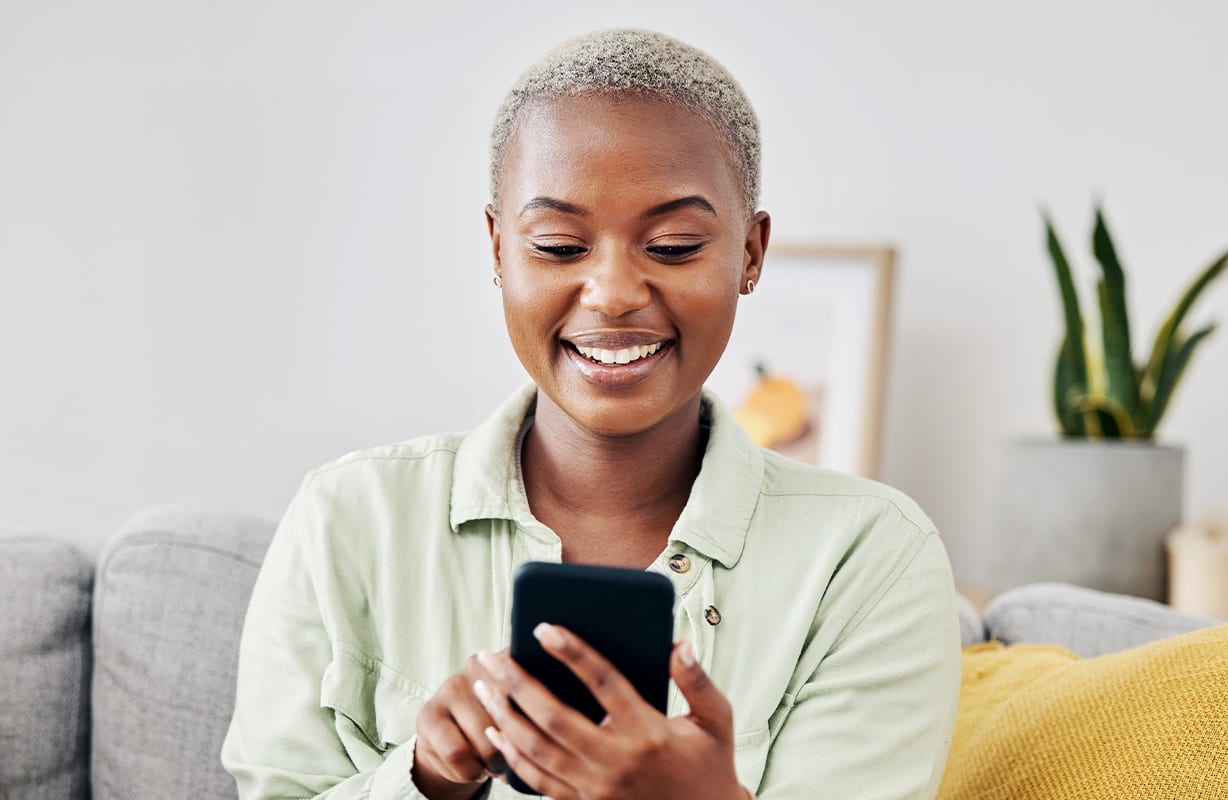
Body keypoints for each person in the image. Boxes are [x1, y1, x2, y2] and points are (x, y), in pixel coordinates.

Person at [221, 27, 961, 800]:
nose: (612, 293)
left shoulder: (870, 559)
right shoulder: (348, 519)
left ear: (750, 252)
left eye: (673, 245)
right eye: (558, 244)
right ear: (498, 248)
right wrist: (427, 776)